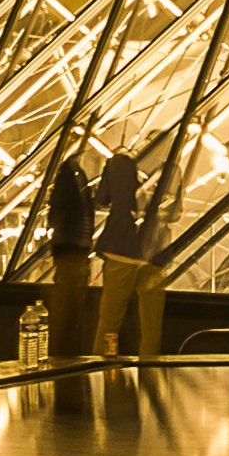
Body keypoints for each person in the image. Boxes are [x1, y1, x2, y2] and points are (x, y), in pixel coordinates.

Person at [93, 149, 162, 363]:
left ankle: (105, 358)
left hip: (120, 252)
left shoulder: (117, 165)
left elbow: (101, 199)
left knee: (110, 319)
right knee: (151, 322)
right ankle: (148, 364)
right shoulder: (167, 171)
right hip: (152, 254)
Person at [44, 149, 100, 357]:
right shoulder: (76, 176)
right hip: (76, 248)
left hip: (69, 248)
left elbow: (56, 211)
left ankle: (62, 353)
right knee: (70, 309)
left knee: (65, 308)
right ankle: (65, 353)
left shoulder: (69, 175)